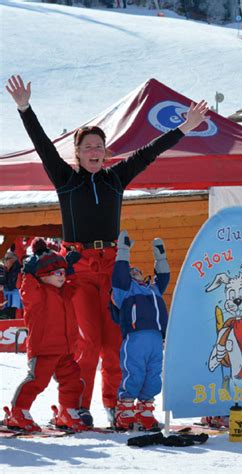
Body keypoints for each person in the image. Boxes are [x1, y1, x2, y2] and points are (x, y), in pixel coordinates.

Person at [6, 74, 209, 427]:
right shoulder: (66, 180)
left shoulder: (116, 178)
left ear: (106, 151)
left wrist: (185, 128)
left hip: (113, 266)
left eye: (99, 147)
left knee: (115, 340)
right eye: (87, 148)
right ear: (78, 154)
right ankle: (76, 407)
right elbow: (42, 145)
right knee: (88, 341)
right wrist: (25, 108)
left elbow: (150, 152)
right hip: (78, 268)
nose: (94, 153)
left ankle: (115, 405)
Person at [3, 238, 87, 432]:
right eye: (56, 273)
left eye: (62, 272)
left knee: (73, 381)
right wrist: (28, 273)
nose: (61, 276)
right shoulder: (37, 294)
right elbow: (26, 288)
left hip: (65, 351)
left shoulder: (64, 291)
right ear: (42, 275)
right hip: (44, 350)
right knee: (37, 382)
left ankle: (67, 411)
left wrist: (71, 267)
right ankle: (19, 412)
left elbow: (73, 285)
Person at [109, 231, 169, 430]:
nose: (135, 271)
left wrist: (160, 257)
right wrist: (124, 251)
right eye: (131, 271)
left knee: (153, 376)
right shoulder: (125, 291)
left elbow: (164, 277)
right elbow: (119, 274)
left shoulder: (153, 290)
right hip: (135, 338)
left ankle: (145, 411)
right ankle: (124, 411)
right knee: (134, 373)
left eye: (138, 270)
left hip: (155, 339)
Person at [1, 248, 22, 319]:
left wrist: (2, 287)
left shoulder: (16, 270)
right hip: (13, 303)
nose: (4, 262)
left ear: (12, 260)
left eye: (5, 259)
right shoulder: (11, 270)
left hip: (15, 304)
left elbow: (11, 286)